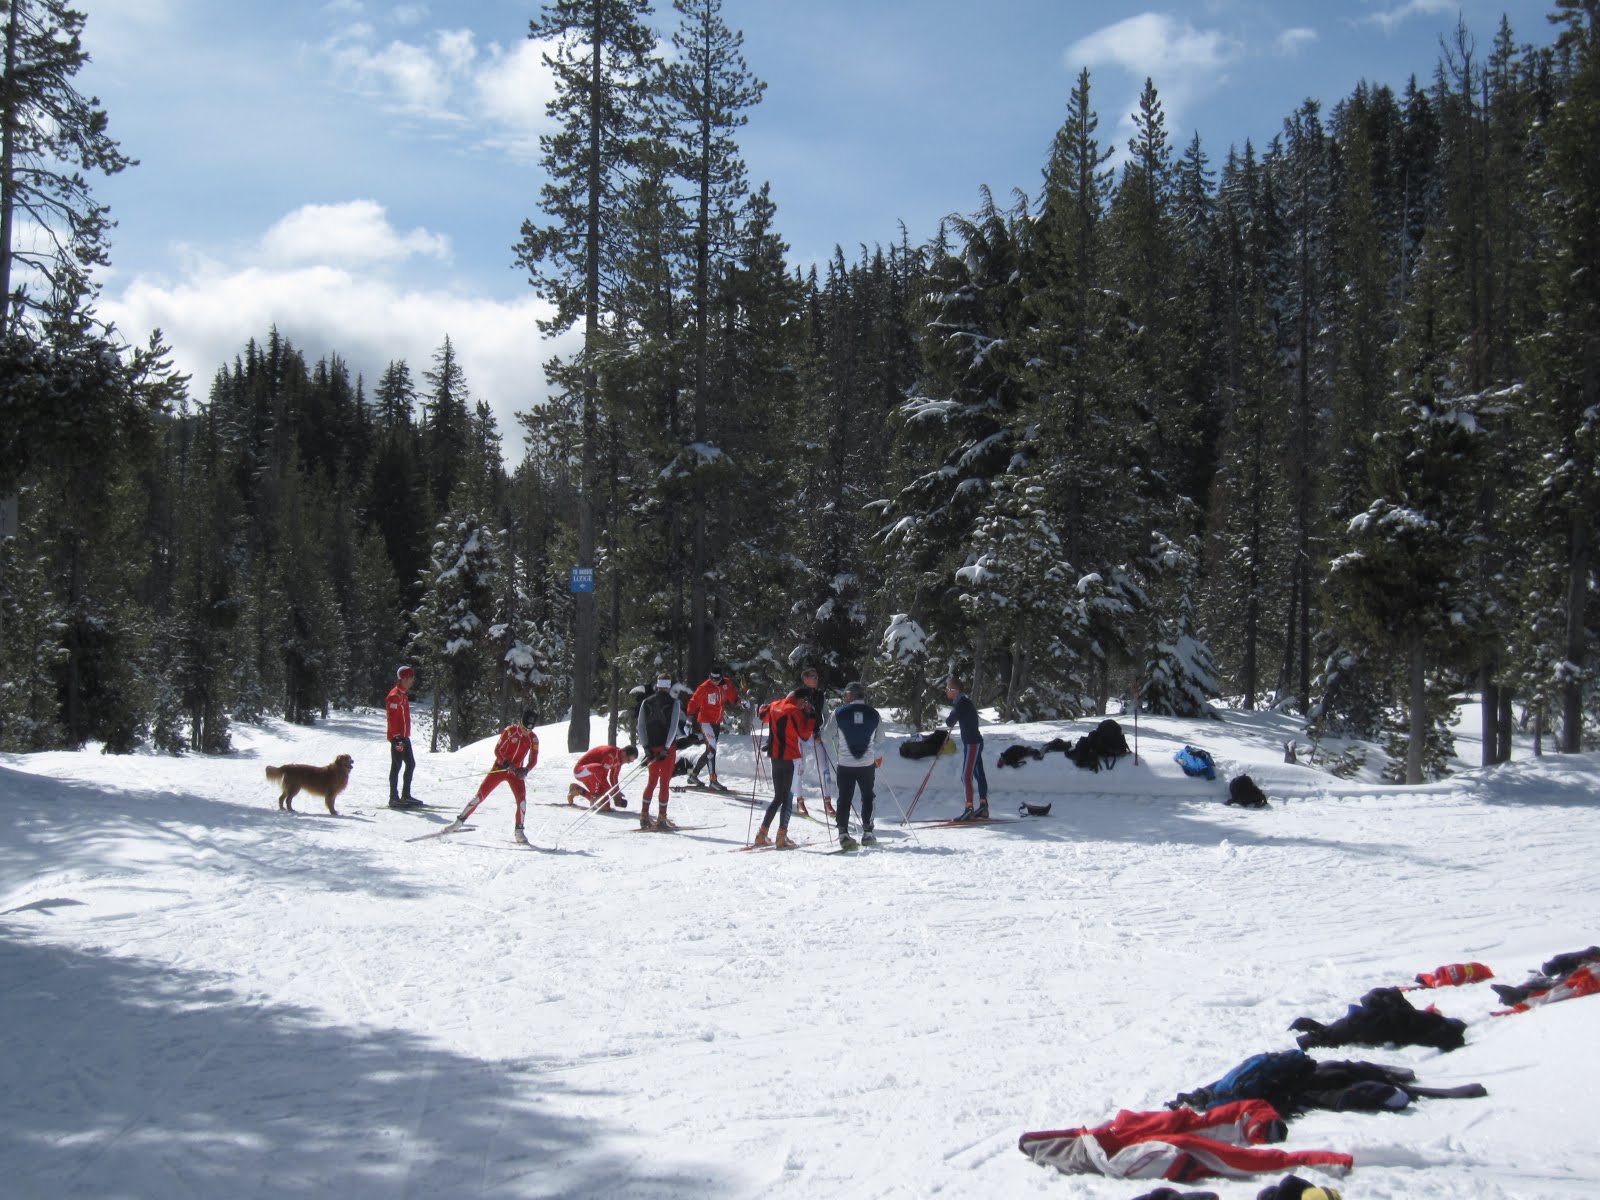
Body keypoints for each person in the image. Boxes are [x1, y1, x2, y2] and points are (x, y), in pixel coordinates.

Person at [447, 710, 540, 842]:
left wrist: (525, 770)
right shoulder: (510, 731)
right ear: (520, 723)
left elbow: (534, 759)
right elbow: (498, 750)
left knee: (522, 801)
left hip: (515, 773)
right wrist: (505, 762)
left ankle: (519, 831)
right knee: (480, 796)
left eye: (529, 730)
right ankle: (458, 822)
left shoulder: (533, 738)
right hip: (500, 769)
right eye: (524, 729)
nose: (526, 732)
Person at [824, 681, 884, 850]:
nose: (844, 697)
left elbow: (826, 735)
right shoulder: (874, 713)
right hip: (866, 763)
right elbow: (880, 738)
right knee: (868, 796)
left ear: (851, 694)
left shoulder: (839, 712)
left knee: (844, 797)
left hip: (845, 763)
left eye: (846, 694)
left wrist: (838, 739)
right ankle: (868, 833)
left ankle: (843, 834)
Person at [754, 691, 815, 848]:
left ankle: (762, 834)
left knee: (778, 797)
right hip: (791, 758)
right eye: (803, 702)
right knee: (787, 797)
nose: (803, 705)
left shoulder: (775, 705)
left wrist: (763, 707)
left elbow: (762, 716)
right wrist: (810, 716)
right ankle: (782, 836)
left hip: (776, 757)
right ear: (799, 699)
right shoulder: (794, 710)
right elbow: (805, 735)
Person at [635, 676, 684, 830]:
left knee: (652, 781)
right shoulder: (674, 703)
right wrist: (666, 748)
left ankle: (644, 815)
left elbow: (640, 726)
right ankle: (661, 818)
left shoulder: (646, 701)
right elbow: (673, 727)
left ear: (657, 685)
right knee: (664, 783)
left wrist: (646, 747)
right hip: (667, 749)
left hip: (652, 747)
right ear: (669, 686)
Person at [684, 666, 739, 788]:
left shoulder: (726, 684)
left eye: (717, 679)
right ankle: (713, 780)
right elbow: (693, 702)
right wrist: (689, 720)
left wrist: (740, 702)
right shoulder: (704, 687)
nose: (714, 681)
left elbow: (733, 697)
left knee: (710, 751)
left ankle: (693, 775)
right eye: (712, 679)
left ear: (721, 677)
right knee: (712, 750)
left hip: (716, 722)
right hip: (705, 722)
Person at [943, 675, 989, 820]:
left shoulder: (961, 703)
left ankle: (969, 808)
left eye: (948, 688)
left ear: (955, 690)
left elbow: (949, 721)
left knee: (966, 776)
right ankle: (983, 806)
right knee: (978, 774)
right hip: (975, 741)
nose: (946, 691)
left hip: (972, 744)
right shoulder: (964, 702)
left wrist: (953, 713)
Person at [792, 665, 834, 817]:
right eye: (813, 677)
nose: (816, 680)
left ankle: (827, 802)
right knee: (799, 768)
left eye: (817, 677)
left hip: (816, 735)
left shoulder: (820, 695)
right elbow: (788, 714)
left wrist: (823, 733)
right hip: (801, 736)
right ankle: (800, 800)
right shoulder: (796, 694)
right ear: (805, 679)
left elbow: (827, 716)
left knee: (824, 768)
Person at [386, 665, 423, 809]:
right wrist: (396, 738)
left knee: (411, 764)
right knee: (396, 766)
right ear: (404, 678)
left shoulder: (403, 694)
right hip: (398, 738)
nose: (413, 680)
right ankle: (393, 798)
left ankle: (405, 795)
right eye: (411, 677)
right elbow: (392, 718)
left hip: (404, 736)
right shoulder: (394, 696)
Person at [570, 743, 639, 810]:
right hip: (580, 771)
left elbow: (613, 777)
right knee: (599, 769)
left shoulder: (619, 759)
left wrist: (617, 793)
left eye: (630, 762)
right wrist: (613, 794)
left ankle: (577, 789)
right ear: (624, 753)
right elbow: (602, 777)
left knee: (604, 806)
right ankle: (593, 796)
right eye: (628, 760)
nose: (627, 763)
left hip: (594, 774)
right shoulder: (611, 755)